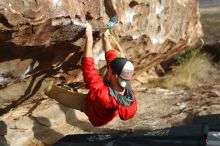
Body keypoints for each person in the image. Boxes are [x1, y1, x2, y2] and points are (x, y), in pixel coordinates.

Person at [44, 23, 137, 127]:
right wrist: (105, 38)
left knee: (54, 92)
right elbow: (113, 60)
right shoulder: (125, 80)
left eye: (110, 68)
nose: (109, 66)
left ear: (115, 75)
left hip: (92, 111)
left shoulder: (103, 95)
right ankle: (107, 35)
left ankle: (45, 88)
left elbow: (88, 68)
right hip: (105, 96)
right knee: (120, 57)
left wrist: (89, 40)